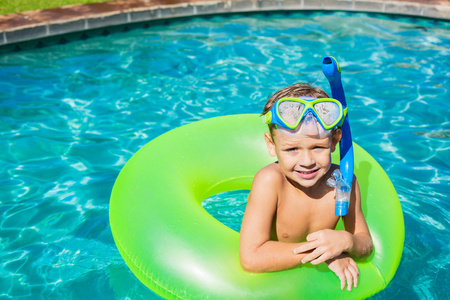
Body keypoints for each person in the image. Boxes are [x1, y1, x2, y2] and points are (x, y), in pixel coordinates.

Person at [239, 82, 373, 291]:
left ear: (335, 141)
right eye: (292, 149)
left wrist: (347, 241)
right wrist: (322, 255)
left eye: (318, 147)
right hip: (272, 287)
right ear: (271, 145)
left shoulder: (343, 181)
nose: (307, 160)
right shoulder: (270, 182)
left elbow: (365, 244)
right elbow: (251, 257)